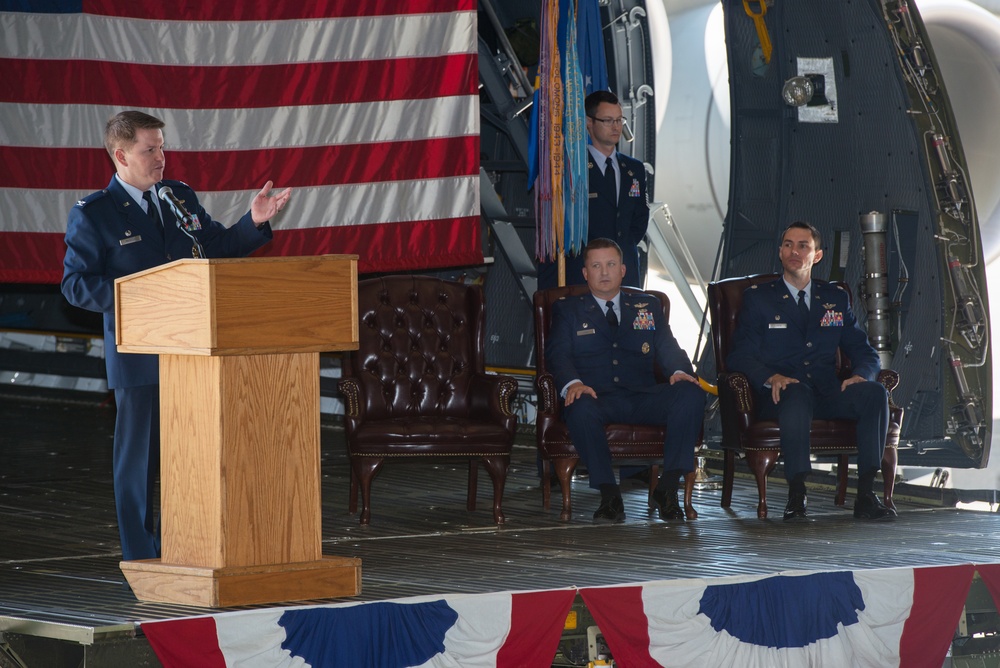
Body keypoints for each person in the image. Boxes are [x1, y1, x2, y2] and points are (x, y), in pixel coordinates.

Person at [61, 110, 291, 561]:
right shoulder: (95, 214)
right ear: (121, 154)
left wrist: (253, 221)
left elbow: (217, 247)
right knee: (140, 462)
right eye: (150, 149)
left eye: (163, 146)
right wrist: (142, 297)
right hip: (142, 355)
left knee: (195, 458)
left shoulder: (177, 197)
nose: (161, 157)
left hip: (196, 351)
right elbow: (74, 285)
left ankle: (189, 546)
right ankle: (142, 556)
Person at [726, 221, 893, 522]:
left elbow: (864, 351)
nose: (794, 251)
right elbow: (740, 354)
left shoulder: (834, 299)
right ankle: (796, 494)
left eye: (803, 246)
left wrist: (862, 375)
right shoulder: (759, 298)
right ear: (780, 252)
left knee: (874, 393)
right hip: (783, 393)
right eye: (788, 244)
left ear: (817, 256)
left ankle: (867, 494)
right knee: (797, 392)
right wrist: (770, 377)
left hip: (828, 391)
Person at [545, 238, 705, 522]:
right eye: (596, 266)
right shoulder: (568, 309)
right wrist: (573, 383)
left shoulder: (647, 305)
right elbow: (558, 355)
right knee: (579, 407)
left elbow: (667, 345)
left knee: (690, 393)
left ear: (623, 270)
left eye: (610, 265)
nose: (604, 272)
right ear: (585, 273)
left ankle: (667, 488)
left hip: (642, 396)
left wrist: (679, 371)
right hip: (597, 396)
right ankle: (609, 494)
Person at [538, 90, 649, 291]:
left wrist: (620, 252)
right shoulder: (571, 169)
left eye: (619, 120)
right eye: (608, 120)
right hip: (584, 273)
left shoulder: (634, 169)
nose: (616, 127)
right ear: (589, 122)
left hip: (624, 271)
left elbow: (640, 219)